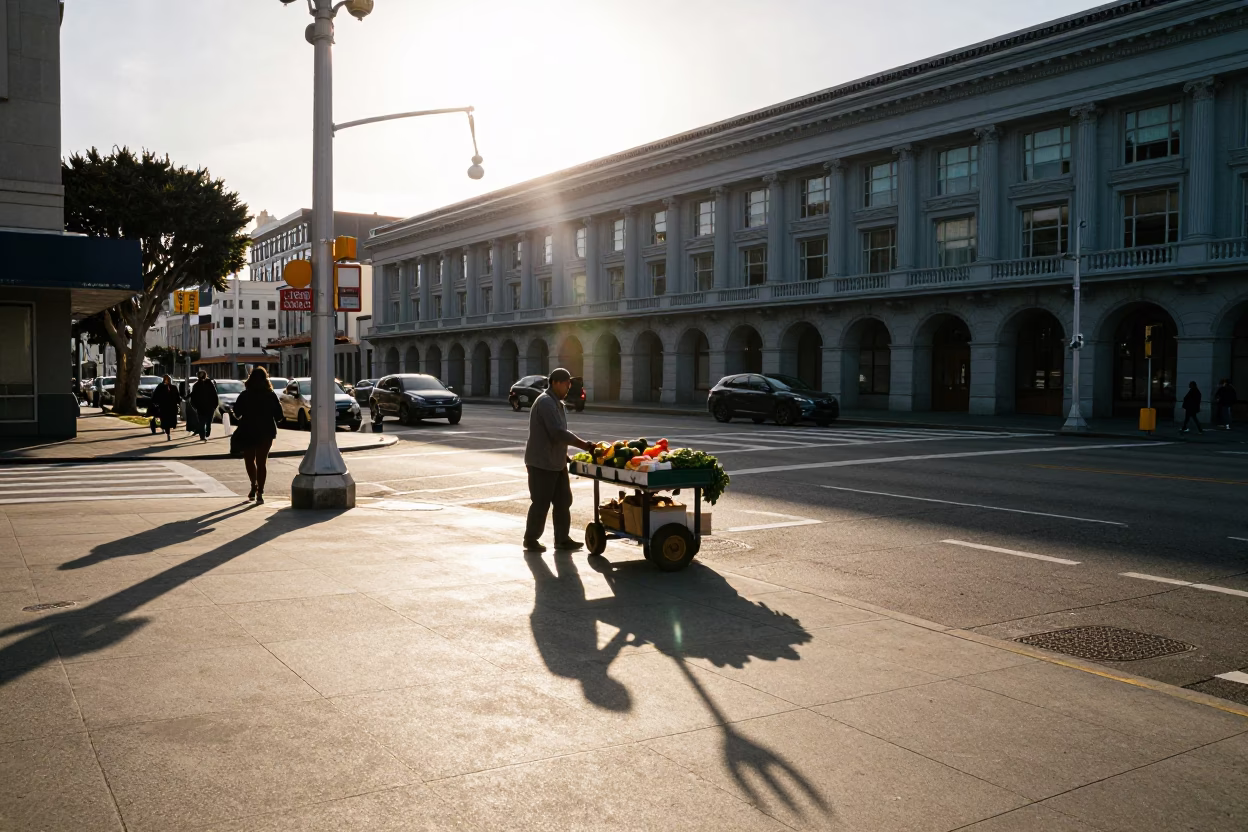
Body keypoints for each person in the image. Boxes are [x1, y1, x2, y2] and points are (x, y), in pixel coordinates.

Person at [523, 367, 595, 553]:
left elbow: (555, 435)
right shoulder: (546, 402)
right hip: (541, 462)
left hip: (556, 462)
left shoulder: (557, 403)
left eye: (569, 384)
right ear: (555, 383)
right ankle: (530, 539)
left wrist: (564, 456)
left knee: (563, 501)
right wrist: (585, 445)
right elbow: (558, 433)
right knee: (541, 502)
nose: (568, 387)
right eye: (566, 383)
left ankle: (562, 539)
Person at [190, 371, 220, 442]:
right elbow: (193, 398)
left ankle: (206, 433)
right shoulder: (197, 385)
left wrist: (214, 405)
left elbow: (214, 395)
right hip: (202, 408)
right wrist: (196, 407)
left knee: (207, 422)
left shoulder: (209, 384)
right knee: (202, 422)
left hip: (208, 407)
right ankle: (203, 436)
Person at [150, 375, 180, 441]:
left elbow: (177, 396)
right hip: (164, 406)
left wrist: (179, 402)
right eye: (165, 379)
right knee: (165, 420)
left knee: (170, 420)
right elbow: (155, 395)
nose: (167, 381)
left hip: (172, 407)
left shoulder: (173, 387)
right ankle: (168, 433)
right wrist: (155, 403)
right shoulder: (160, 387)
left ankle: (167, 431)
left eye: (168, 379)